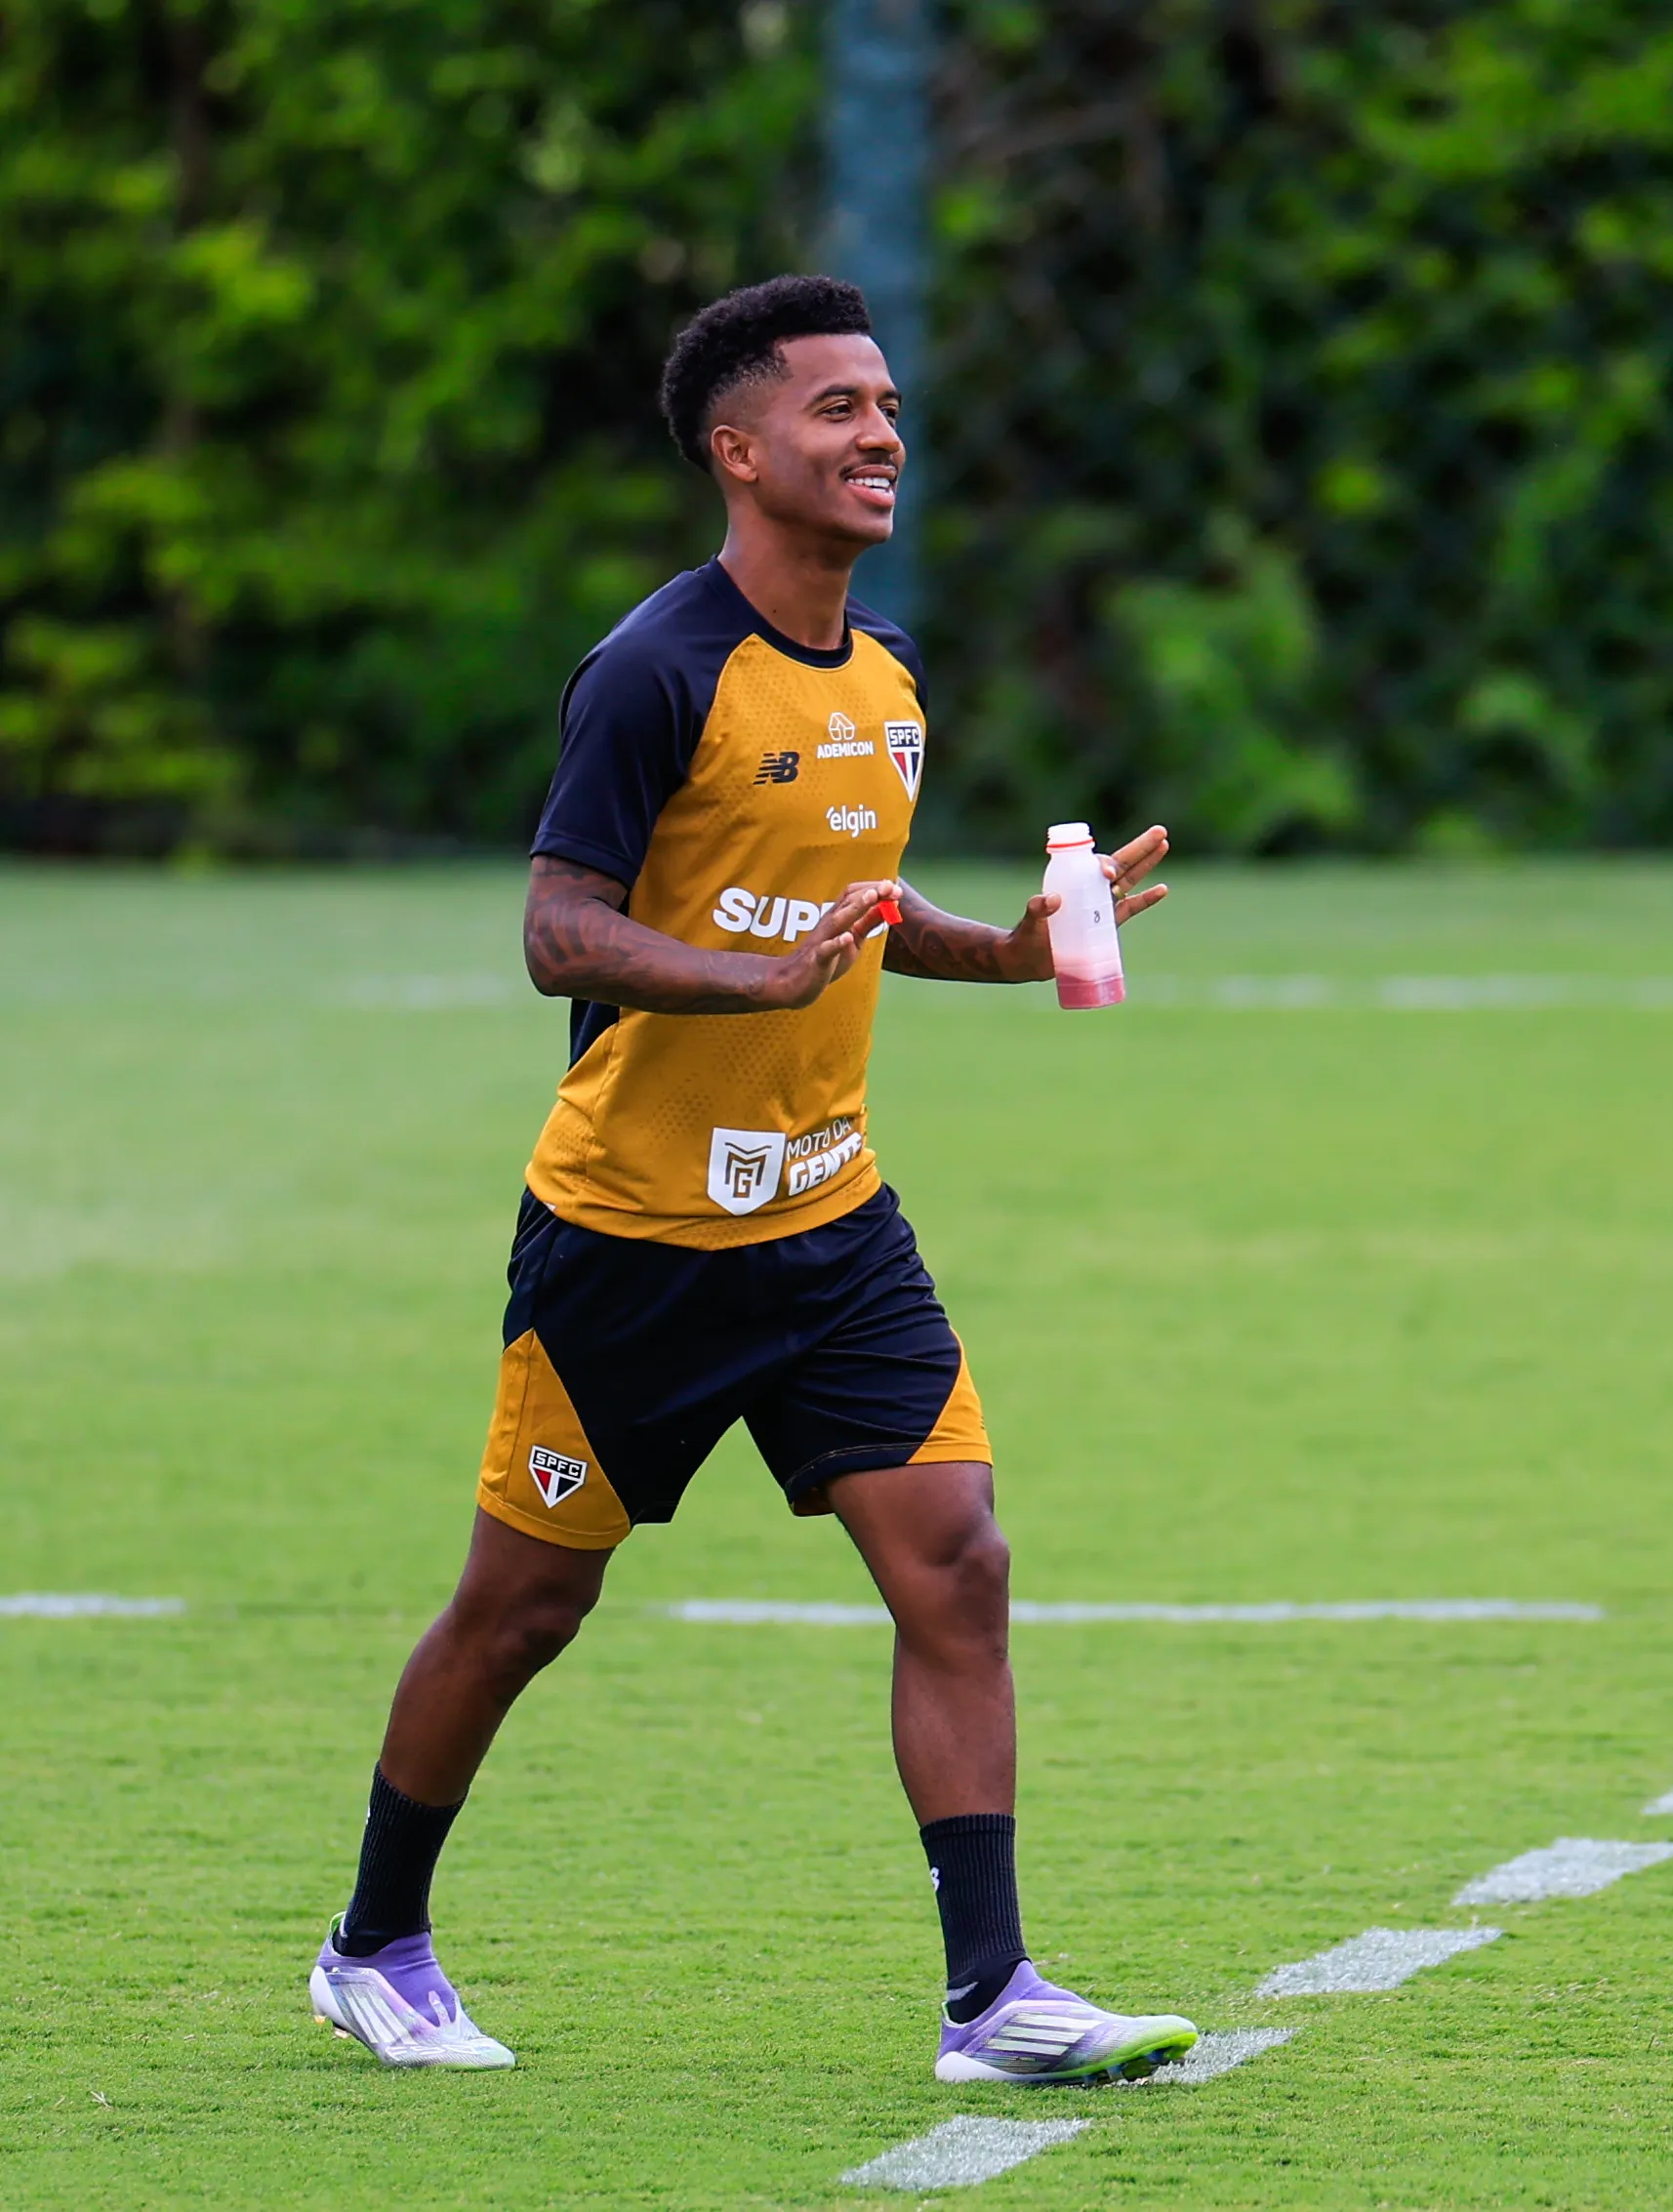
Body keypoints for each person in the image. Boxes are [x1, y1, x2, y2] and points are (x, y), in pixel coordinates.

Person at [306, 274, 1195, 2086]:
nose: (881, 436)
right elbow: (559, 932)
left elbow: (858, 910)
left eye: (890, 407)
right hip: (631, 1238)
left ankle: (993, 1995)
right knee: (523, 1608)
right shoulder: (654, 671)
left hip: (830, 1223)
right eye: (836, 409)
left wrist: (1000, 951)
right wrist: (747, 977)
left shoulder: (889, 672)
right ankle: (373, 1943)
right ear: (736, 449)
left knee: (957, 1563)